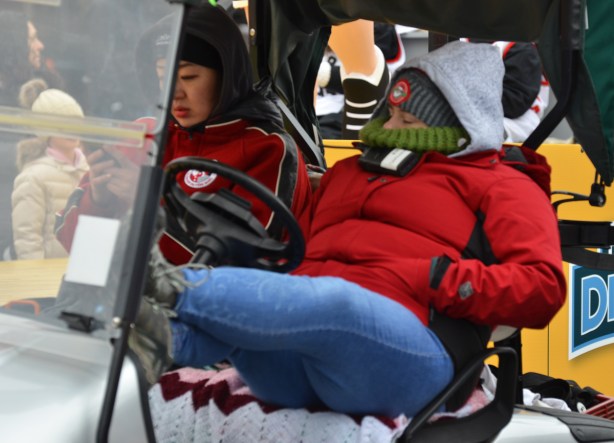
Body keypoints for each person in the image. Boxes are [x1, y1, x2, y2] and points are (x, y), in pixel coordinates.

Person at [130, 40, 567, 419]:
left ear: (457, 126)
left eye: (409, 122)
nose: (391, 128)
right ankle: (146, 335)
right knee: (260, 310)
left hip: (413, 351)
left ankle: (163, 283)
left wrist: (437, 278)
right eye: (390, 114)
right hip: (304, 363)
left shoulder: (503, 183)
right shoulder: (347, 172)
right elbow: (292, 258)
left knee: (336, 301)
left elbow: (542, 288)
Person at [54, 3, 313, 265]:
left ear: (227, 75)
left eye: (188, 77)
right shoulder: (144, 136)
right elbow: (83, 256)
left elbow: (241, 270)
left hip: (206, 304)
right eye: (162, 76)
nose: (173, 92)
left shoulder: (268, 149)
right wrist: (98, 201)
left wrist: (148, 202)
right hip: (121, 299)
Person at [11, 79, 89, 260]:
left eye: (77, 122)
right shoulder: (32, 177)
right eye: (62, 124)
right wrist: (36, 281)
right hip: (49, 279)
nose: (72, 130)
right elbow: (27, 239)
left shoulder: (90, 168)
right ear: (45, 130)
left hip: (84, 272)